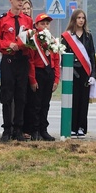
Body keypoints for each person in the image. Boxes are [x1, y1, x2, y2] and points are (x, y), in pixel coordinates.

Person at [0, 0, 33, 142]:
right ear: (11, 0)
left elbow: (30, 39)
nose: (20, 1)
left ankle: (18, 129)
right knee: (7, 95)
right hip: (8, 60)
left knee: (21, 96)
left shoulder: (27, 20)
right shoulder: (3, 19)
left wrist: (22, 45)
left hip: (22, 60)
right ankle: (7, 129)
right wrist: (8, 44)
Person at [61, 9, 96, 138]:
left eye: (83, 18)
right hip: (72, 72)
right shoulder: (67, 36)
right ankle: (72, 127)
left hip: (85, 72)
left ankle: (82, 128)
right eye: (79, 18)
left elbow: (92, 56)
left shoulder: (88, 36)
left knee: (83, 101)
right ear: (74, 19)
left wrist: (93, 75)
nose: (81, 20)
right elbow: (63, 56)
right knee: (73, 101)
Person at [24, 13, 60, 141]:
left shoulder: (52, 40)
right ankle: (34, 130)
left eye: (47, 24)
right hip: (38, 73)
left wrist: (56, 79)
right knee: (36, 104)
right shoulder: (33, 40)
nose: (45, 26)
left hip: (49, 73)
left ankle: (43, 129)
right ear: (36, 25)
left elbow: (56, 59)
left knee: (46, 103)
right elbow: (31, 61)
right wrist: (32, 79)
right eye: (42, 23)